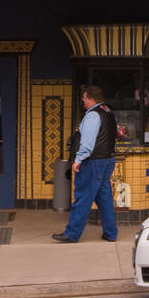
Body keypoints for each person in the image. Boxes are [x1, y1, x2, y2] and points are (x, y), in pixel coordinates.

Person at [53, 86, 119, 243]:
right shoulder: (108, 112)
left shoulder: (93, 116)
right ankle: (111, 233)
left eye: (84, 98)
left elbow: (88, 142)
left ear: (91, 99)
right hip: (107, 160)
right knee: (105, 199)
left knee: (83, 198)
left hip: (93, 162)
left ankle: (72, 234)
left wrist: (78, 159)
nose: (82, 101)